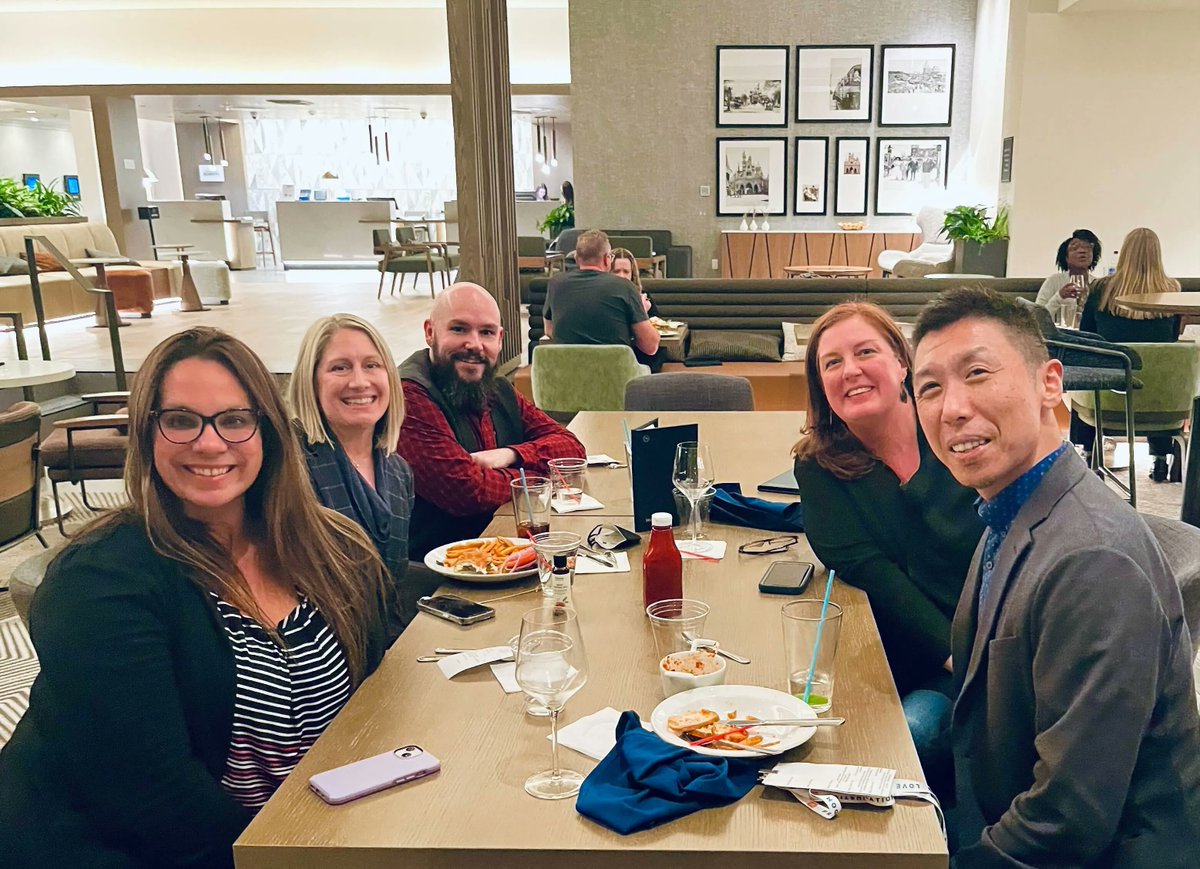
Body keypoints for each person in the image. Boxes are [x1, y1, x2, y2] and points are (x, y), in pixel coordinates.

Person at [0, 328, 394, 867]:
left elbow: (376, 699)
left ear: (268, 431)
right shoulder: (99, 585)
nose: (210, 444)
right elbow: (158, 808)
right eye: (181, 420)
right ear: (146, 434)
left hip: (301, 833)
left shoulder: (331, 547)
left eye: (234, 420)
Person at [910, 286, 1200, 866]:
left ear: (1050, 383)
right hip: (995, 813)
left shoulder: (1093, 559)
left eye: (978, 373)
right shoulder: (1012, 508)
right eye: (930, 387)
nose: (952, 408)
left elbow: (1066, 823)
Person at [792, 302, 982, 794]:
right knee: (873, 746)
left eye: (865, 351)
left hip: (1001, 646)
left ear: (903, 363)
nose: (850, 370)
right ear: (821, 385)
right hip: (915, 656)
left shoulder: (958, 429)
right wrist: (958, 661)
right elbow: (877, 576)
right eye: (831, 363)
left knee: (907, 743)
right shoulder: (820, 469)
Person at [397, 281, 586, 558]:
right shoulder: (410, 395)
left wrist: (511, 454)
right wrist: (536, 481)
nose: (474, 345)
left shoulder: (497, 387)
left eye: (485, 332)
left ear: (499, 339)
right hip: (442, 577)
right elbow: (466, 492)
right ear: (430, 332)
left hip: (506, 552)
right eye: (459, 329)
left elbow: (572, 448)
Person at [290, 313, 414, 639]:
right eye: (339, 367)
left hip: (388, 650)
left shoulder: (398, 471)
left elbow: (394, 589)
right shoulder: (289, 470)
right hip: (322, 663)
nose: (359, 382)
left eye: (372, 365)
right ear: (311, 381)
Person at [1074, 227, 1183, 480]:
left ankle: (1089, 452)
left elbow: (1086, 336)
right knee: (1158, 371)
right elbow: (1171, 339)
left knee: (1089, 370)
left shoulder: (1101, 289)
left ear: (1123, 254)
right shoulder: (1173, 290)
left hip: (1108, 401)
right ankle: (1159, 459)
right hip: (1163, 406)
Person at [543, 229, 660, 366]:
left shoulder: (555, 284)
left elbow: (549, 330)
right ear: (606, 258)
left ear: (576, 258)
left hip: (569, 377)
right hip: (615, 378)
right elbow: (650, 347)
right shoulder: (624, 287)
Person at [1034, 228, 1101, 323]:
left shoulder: (1098, 285)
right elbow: (1036, 318)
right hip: (1059, 334)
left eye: (1087, 247)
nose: (1082, 251)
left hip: (1089, 335)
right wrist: (1059, 296)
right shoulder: (1054, 281)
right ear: (1066, 257)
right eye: (1074, 248)